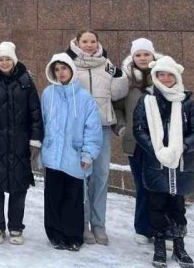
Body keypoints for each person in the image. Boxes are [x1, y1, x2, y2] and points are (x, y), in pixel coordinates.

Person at [0, 42, 43, 246]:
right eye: (0, 59)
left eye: (8, 59)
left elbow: (35, 114)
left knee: (18, 188)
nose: (4, 63)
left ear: (14, 60)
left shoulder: (26, 82)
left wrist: (35, 140)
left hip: (20, 144)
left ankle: (16, 226)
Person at [66, 29, 128, 245]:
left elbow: (118, 93)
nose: (89, 45)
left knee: (101, 176)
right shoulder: (70, 63)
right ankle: (83, 223)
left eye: (93, 41)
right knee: (82, 176)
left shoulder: (107, 65)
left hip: (102, 128)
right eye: (85, 41)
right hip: (78, 128)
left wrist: (120, 76)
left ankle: (98, 223)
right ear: (77, 42)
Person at [133, 56, 194, 268]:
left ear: (176, 76)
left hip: (180, 163)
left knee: (177, 206)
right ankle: (159, 243)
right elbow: (139, 129)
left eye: (170, 74)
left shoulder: (186, 102)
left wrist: (181, 147)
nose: (166, 78)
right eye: (161, 75)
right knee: (156, 204)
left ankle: (179, 245)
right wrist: (157, 151)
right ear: (155, 76)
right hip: (155, 163)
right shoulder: (147, 100)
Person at [41, 53, 103, 252]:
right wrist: (42, 149)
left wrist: (88, 154)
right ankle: (55, 234)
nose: (61, 73)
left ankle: (73, 236)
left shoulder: (84, 98)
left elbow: (92, 129)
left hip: (74, 157)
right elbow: (42, 122)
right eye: (57, 69)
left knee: (73, 198)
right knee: (53, 197)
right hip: (52, 156)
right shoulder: (48, 94)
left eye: (64, 68)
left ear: (71, 70)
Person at [114, 38, 159, 245]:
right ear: (133, 57)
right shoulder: (126, 80)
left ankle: (163, 228)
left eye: (146, 54)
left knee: (161, 186)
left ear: (153, 55)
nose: (142, 58)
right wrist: (122, 127)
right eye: (138, 55)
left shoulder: (164, 75)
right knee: (142, 186)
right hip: (136, 142)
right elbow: (118, 108)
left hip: (160, 143)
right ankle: (142, 228)